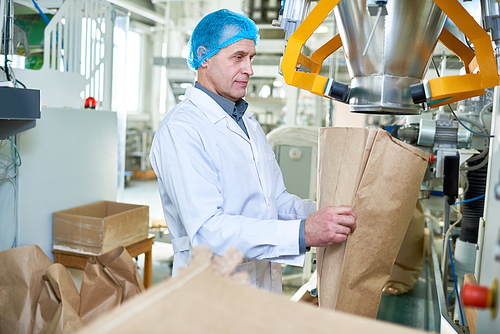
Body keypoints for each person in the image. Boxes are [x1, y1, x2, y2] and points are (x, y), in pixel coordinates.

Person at [150, 8, 357, 294]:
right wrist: (303, 232)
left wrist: (326, 214)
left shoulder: (247, 122)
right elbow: (208, 231)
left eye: (251, 58)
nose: (249, 69)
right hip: (212, 294)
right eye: (238, 57)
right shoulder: (182, 130)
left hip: (260, 286)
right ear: (204, 57)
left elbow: (276, 201)